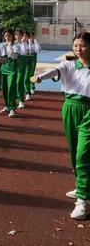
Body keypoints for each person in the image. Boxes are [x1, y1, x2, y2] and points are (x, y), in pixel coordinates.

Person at [30, 32, 90, 220]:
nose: (78, 49)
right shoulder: (69, 64)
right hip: (70, 108)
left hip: (88, 111)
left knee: (83, 153)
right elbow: (54, 71)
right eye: (76, 46)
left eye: (83, 46)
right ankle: (82, 186)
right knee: (74, 152)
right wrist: (40, 78)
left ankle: (82, 201)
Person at [0, 29, 21, 118]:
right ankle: (7, 106)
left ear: (12, 36)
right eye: (5, 36)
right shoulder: (1, 45)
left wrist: (10, 46)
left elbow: (14, 56)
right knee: (4, 89)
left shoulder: (16, 46)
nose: (7, 37)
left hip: (12, 69)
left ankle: (12, 108)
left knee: (11, 88)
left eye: (9, 35)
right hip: (3, 68)